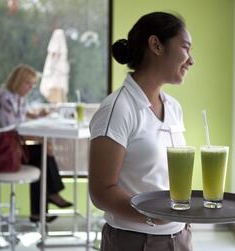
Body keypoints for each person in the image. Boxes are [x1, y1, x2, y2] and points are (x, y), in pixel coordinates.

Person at [89, 12, 194, 251]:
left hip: (180, 236)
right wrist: (155, 216)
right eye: (185, 48)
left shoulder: (173, 108)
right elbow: (101, 191)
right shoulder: (118, 109)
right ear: (156, 45)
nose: (191, 60)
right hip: (136, 242)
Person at [0, 64, 72, 223]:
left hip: (11, 148)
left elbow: (22, 115)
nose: (31, 87)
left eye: (33, 84)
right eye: (28, 83)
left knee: (41, 156)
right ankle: (52, 194)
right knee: (42, 151)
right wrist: (41, 139)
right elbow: (13, 130)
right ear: (18, 81)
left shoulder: (18, 98)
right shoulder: (3, 98)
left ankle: (38, 212)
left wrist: (37, 116)